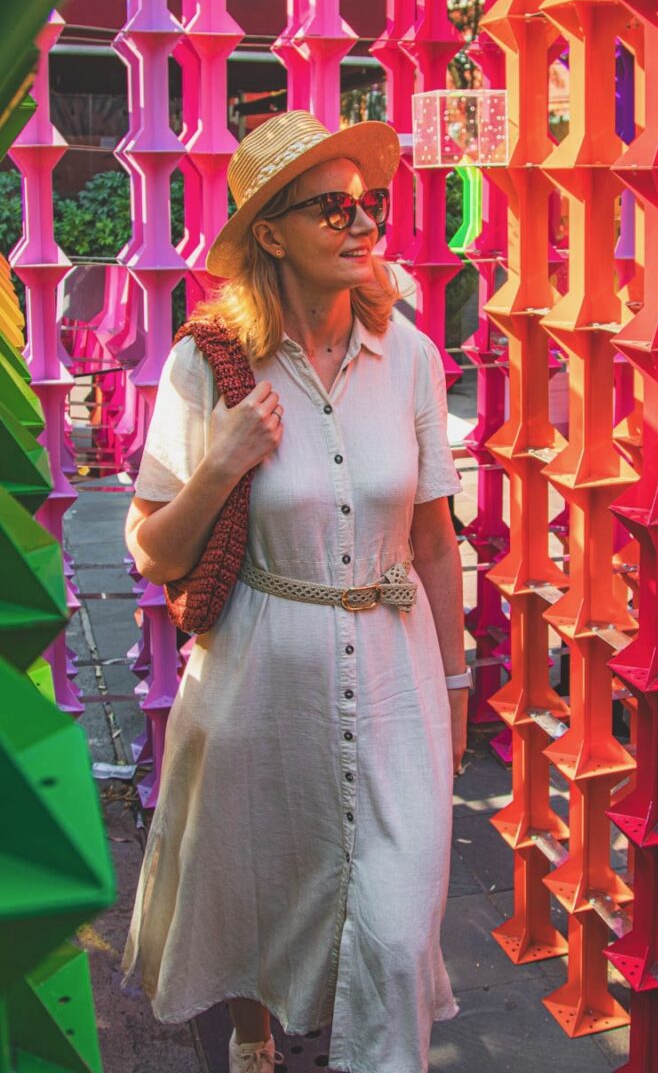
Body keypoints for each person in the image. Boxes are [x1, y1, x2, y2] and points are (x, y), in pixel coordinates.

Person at [122, 110, 470, 1073]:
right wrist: (221, 460)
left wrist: (455, 680)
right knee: (253, 888)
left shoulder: (409, 355)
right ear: (269, 233)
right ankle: (250, 1035)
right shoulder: (207, 365)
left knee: (399, 930)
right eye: (331, 209)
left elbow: (436, 543)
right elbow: (151, 552)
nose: (361, 227)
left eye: (370, 206)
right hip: (255, 678)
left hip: (397, 676)